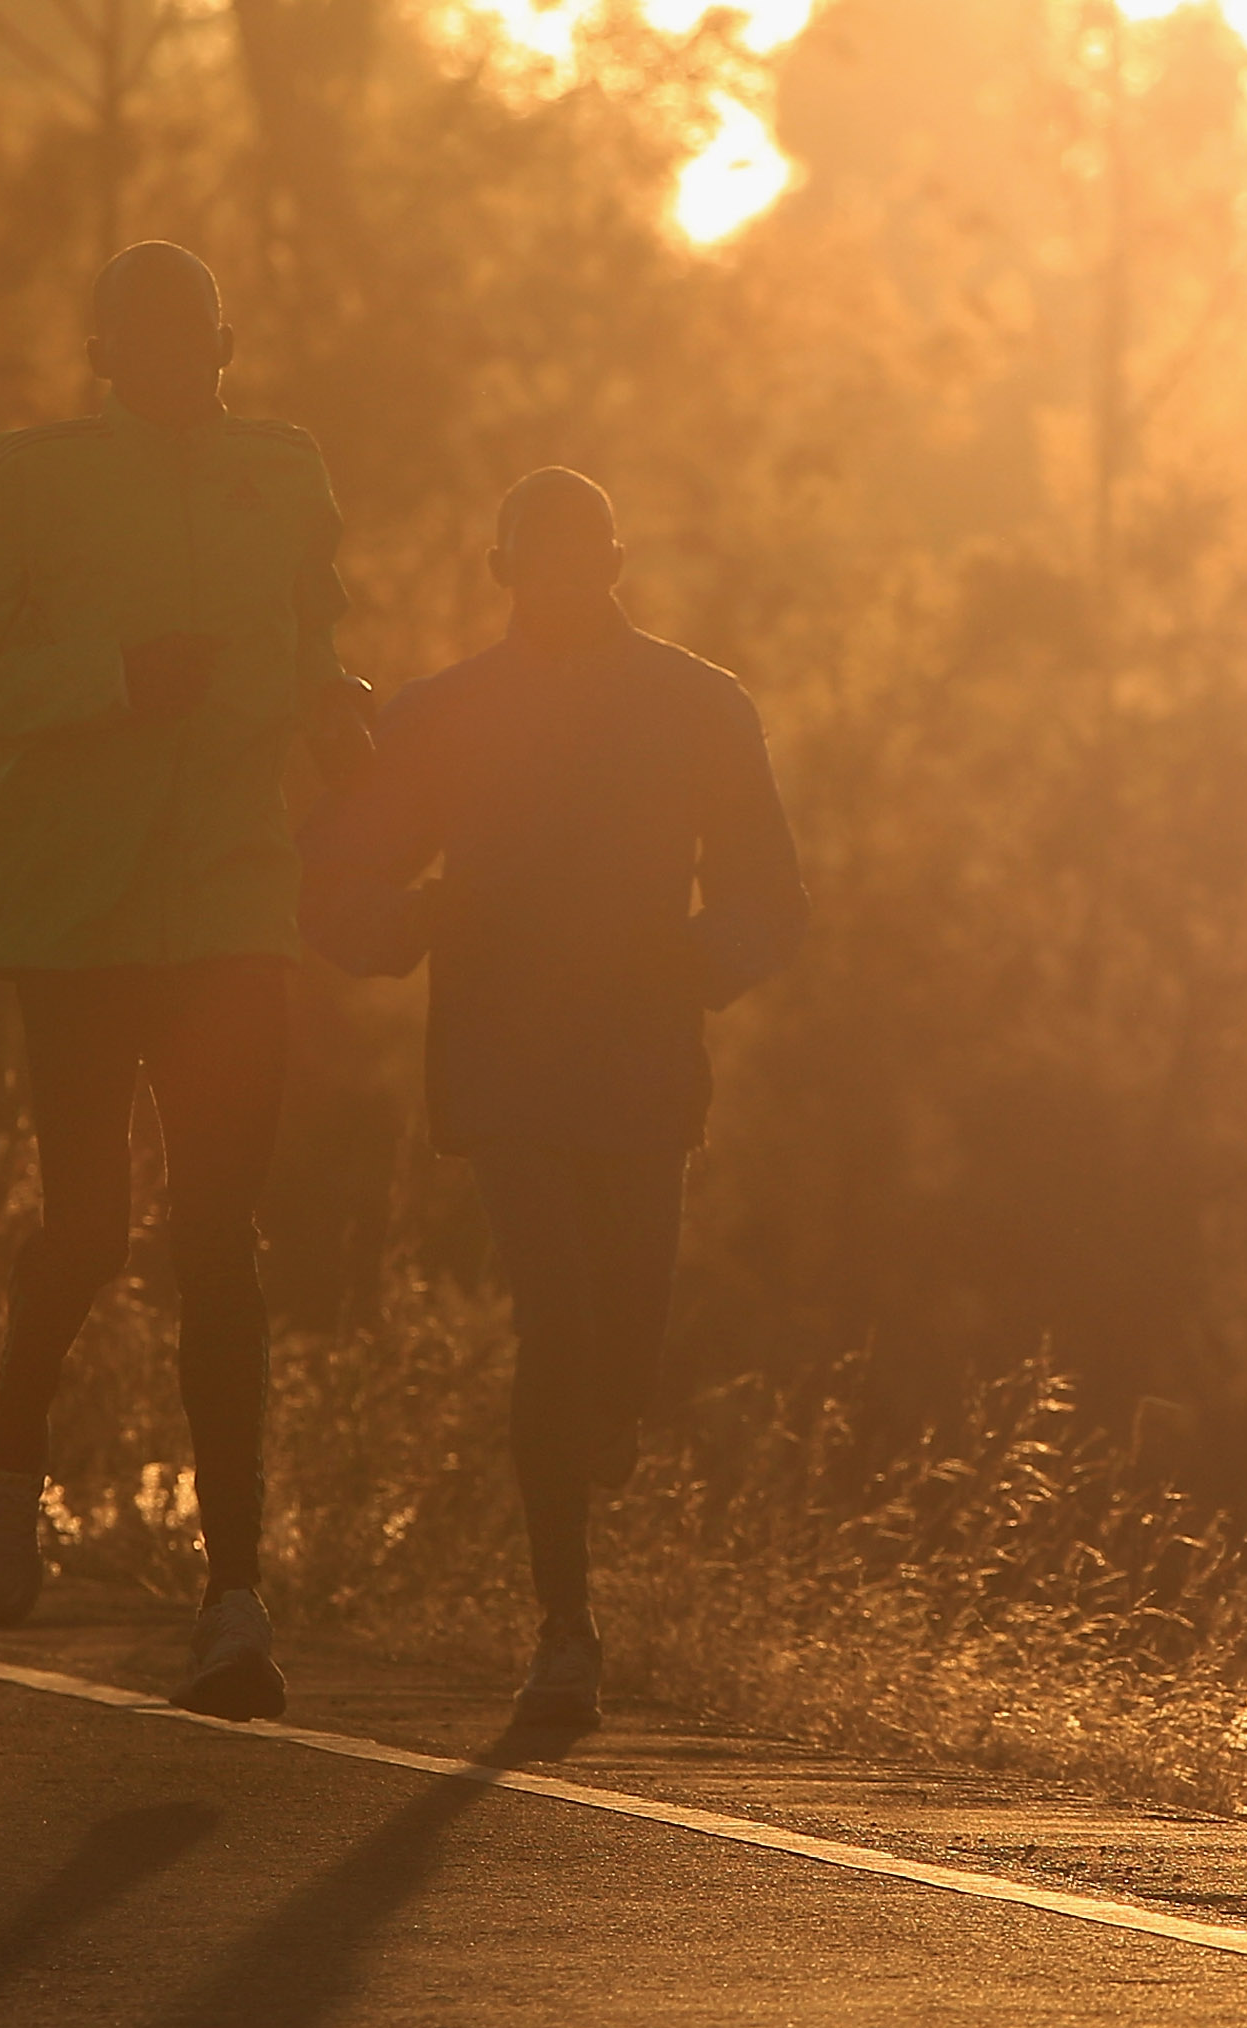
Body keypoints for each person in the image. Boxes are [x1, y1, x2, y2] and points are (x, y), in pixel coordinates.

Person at [0, 243, 371, 1718]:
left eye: (197, 341)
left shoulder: (286, 473)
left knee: (222, 1241)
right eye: (142, 341)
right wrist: (101, 675)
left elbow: (312, 642)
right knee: (89, 1228)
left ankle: (235, 1601)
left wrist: (336, 709)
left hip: (230, 905)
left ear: (225, 343)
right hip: (74, 914)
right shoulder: (23, 479)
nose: (175, 364)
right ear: (105, 351)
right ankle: (10, 1444)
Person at [305, 468, 806, 1728]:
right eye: (539, 556)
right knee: (558, 1315)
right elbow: (342, 875)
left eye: (585, 555)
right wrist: (409, 920)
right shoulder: (443, 716)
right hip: (504, 1068)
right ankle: (564, 1632)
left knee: (623, 1334)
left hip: (641, 1068)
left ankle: (608, 1422)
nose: (564, 578)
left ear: (618, 563)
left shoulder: (698, 704)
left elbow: (768, 893)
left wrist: (693, 966)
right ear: (501, 570)